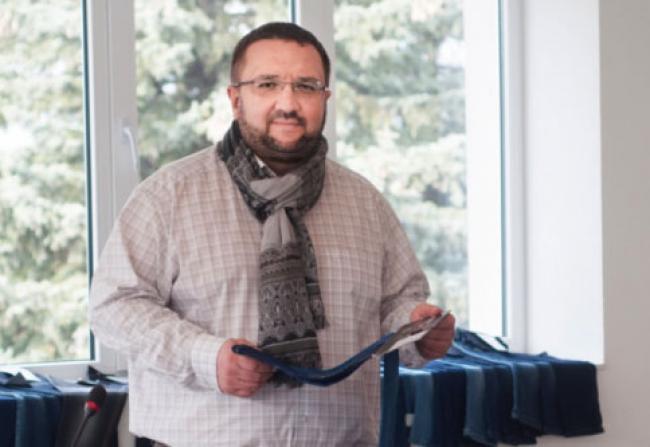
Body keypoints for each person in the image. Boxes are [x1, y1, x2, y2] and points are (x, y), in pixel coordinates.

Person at [89, 22, 455, 446]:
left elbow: (395, 308)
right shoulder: (168, 196)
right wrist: (205, 358)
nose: (288, 103)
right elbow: (114, 307)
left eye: (306, 86)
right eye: (267, 84)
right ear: (235, 98)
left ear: (325, 98)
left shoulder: (366, 204)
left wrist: (419, 332)